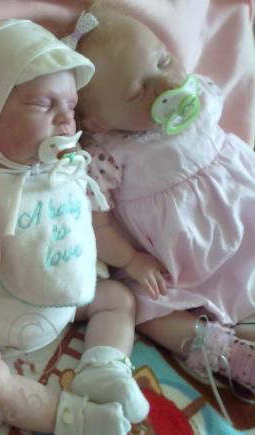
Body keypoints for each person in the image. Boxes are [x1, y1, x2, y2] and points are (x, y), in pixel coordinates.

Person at [0, 19, 148, 435]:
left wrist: (129, 259)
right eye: (44, 105)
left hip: (67, 303)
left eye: (71, 106)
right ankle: (70, 419)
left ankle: (105, 367)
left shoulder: (71, 166)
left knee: (118, 299)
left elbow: (92, 224)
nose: (66, 119)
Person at [67, 5, 255, 399]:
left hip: (243, 215)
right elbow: (96, 223)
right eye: (140, 91)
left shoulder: (200, 96)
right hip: (176, 260)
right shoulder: (105, 152)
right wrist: (131, 261)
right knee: (145, 308)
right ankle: (222, 352)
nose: (167, 85)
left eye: (165, 61)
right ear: (97, 121)